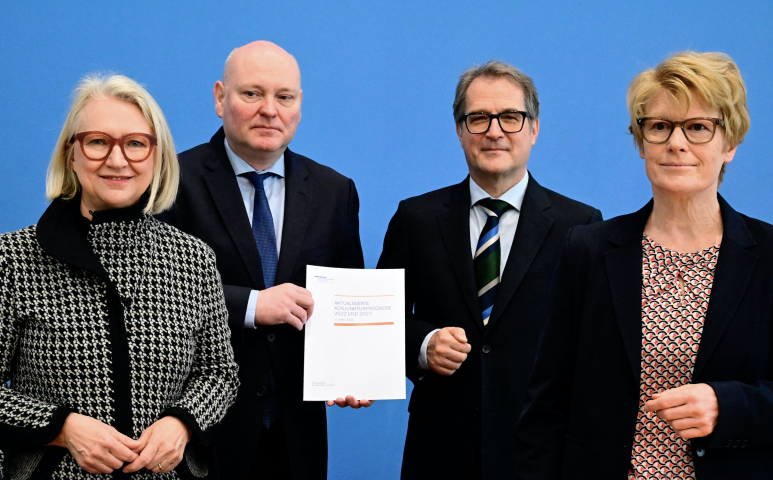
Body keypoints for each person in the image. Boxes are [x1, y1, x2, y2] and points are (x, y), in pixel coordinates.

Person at [514, 51, 772, 479]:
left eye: (698, 127)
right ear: (640, 142)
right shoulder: (589, 249)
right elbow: (547, 403)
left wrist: (728, 406)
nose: (676, 142)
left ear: (730, 143)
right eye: (659, 126)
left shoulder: (766, 256)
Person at [0, 74, 239, 479]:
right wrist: (62, 428)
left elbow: (219, 373)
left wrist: (181, 423)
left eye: (135, 143)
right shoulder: (14, 259)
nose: (117, 159)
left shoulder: (194, 259)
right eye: (97, 142)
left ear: (156, 155)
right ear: (70, 153)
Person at [376, 60, 602, 479]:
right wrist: (423, 345)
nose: (495, 131)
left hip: (540, 450)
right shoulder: (416, 218)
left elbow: (592, 345)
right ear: (460, 130)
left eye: (510, 118)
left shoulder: (581, 226)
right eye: (478, 118)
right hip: (440, 447)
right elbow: (380, 321)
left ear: (534, 129)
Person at [157, 41, 371, 480]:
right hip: (199, 435)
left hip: (297, 438)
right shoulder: (170, 183)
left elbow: (348, 299)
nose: (269, 110)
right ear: (220, 98)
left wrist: (355, 369)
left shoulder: (335, 191)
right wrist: (253, 305)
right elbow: (155, 296)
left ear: (299, 105)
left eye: (284, 97)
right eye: (252, 94)